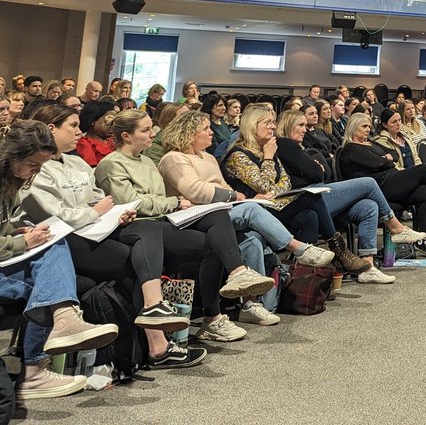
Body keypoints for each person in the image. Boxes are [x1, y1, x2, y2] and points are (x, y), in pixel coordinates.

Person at [22, 104, 206, 368]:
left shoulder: (76, 161)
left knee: (148, 230)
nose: (79, 131)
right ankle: (154, 348)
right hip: (63, 241)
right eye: (72, 125)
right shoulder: (37, 167)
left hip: (96, 230)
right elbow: (55, 215)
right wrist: (95, 211)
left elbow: (101, 198)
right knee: (138, 262)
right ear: (51, 129)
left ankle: (153, 327)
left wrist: (116, 212)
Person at [95, 109, 275, 342]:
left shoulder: (148, 161)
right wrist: (174, 202)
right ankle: (230, 290)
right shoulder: (111, 164)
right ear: (127, 136)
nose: (153, 133)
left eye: (152, 127)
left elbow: (156, 199)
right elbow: (132, 202)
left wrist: (173, 204)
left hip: (161, 221)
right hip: (137, 227)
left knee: (213, 238)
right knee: (222, 224)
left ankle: (218, 310)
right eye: (146, 129)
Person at [156, 109, 344, 315]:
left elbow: (279, 183)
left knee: (254, 238)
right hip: (197, 217)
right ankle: (300, 249)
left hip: (220, 211)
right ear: (189, 133)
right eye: (205, 129)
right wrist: (234, 195)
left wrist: (232, 194)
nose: (211, 132)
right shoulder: (174, 158)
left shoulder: (208, 158)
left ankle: (254, 304)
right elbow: (197, 191)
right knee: (255, 208)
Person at [0, 121, 122, 400]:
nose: (37, 171)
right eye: (33, 163)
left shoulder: (11, 181)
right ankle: (37, 364)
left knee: (55, 243)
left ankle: (59, 327)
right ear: (10, 155)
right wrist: (19, 242)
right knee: (49, 288)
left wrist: (16, 232)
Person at [273, 108, 422, 277]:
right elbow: (316, 173)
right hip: (308, 199)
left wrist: (315, 168)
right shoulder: (285, 144)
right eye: (300, 125)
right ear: (288, 125)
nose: (305, 129)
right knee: (368, 183)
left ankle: (368, 267)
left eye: (305, 125)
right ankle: (395, 227)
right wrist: (315, 167)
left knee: (369, 206)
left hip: (318, 195)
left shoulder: (296, 147)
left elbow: (322, 172)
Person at [220, 105, 366, 271]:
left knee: (309, 216)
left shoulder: (269, 148)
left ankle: (305, 277)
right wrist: (268, 158)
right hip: (253, 213)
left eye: (273, 123)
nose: (273, 127)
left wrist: (271, 191)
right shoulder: (238, 155)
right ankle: (339, 250)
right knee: (311, 198)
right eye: (268, 123)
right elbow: (264, 185)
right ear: (253, 125)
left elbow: (285, 181)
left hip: (272, 205)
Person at [340, 113, 426, 258]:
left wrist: (386, 159)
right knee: (424, 169)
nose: (368, 129)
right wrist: (385, 160)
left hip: (390, 180)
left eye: (369, 126)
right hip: (379, 187)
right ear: (354, 127)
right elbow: (379, 163)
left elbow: (394, 154)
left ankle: (423, 240)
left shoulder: (370, 144)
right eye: (364, 126)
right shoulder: (351, 148)